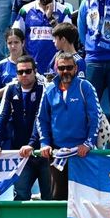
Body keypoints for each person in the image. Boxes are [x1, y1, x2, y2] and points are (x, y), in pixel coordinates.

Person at [31, 53, 101, 200]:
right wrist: (44, 143)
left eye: (69, 67)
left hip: (82, 153)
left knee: (85, 199)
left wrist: (88, 144)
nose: (65, 71)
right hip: (58, 153)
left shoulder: (85, 87)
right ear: (56, 69)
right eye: (62, 68)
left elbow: (95, 117)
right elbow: (41, 119)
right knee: (59, 198)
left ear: (75, 69)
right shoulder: (49, 89)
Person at [0, 56, 51, 200]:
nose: (24, 75)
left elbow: (40, 118)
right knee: (21, 195)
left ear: (35, 71)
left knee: (50, 196)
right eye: (20, 72)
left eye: (28, 71)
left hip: (43, 151)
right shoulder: (11, 88)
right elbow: (2, 117)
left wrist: (31, 144)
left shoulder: (44, 87)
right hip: (21, 153)